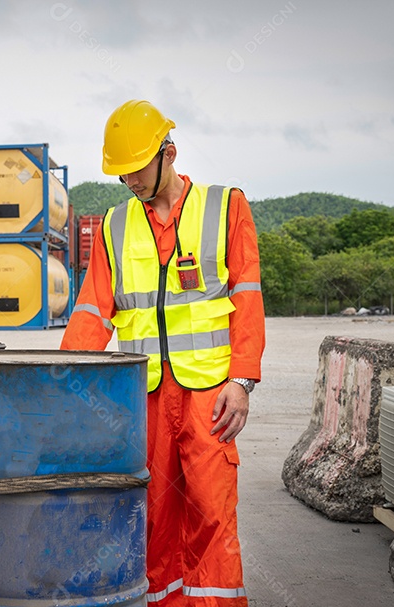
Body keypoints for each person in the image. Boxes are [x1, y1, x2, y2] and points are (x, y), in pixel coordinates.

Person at [61, 99, 265, 606]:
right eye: (121, 174)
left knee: (211, 513)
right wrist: (61, 378)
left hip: (210, 396)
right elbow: (92, 310)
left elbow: (248, 301)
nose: (129, 181)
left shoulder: (225, 207)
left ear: (168, 154)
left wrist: (241, 382)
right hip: (146, 397)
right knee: (152, 516)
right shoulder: (114, 226)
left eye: (136, 170)